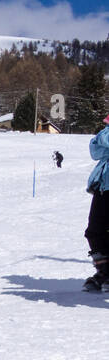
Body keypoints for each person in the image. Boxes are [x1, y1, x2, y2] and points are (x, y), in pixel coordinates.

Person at [82, 114, 109, 291]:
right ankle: (105, 272)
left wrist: (102, 137)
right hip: (104, 186)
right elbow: (95, 151)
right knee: (95, 231)